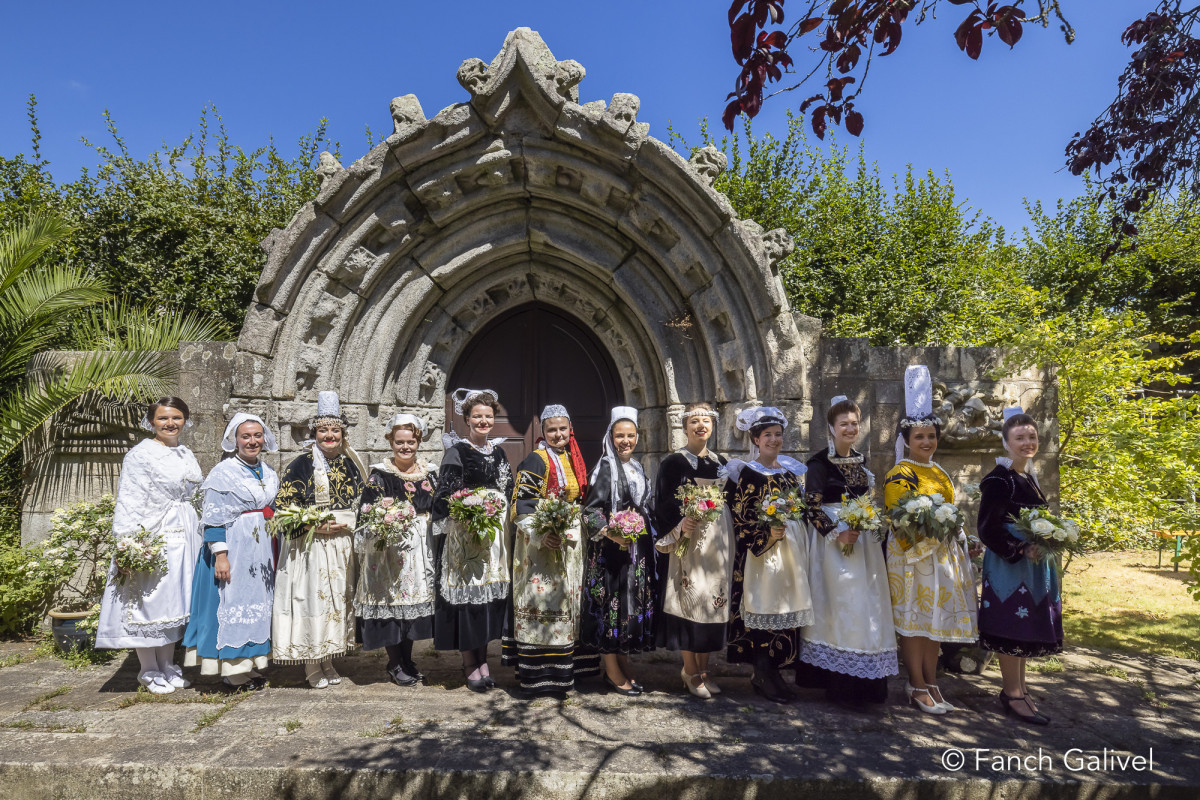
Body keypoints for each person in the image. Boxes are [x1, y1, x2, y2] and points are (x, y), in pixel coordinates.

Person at [884, 365, 979, 715]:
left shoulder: (939, 472)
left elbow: (951, 510)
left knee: (935, 619)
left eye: (931, 436)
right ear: (907, 441)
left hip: (942, 554)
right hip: (914, 555)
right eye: (920, 437)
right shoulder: (900, 472)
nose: (926, 442)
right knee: (916, 620)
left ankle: (933, 680)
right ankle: (916, 684)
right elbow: (899, 517)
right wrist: (930, 535)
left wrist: (961, 536)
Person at [95, 397, 204, 694]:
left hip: (187, 533)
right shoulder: (140, 455)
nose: (170, 424)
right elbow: (129, 500)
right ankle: (148, 669)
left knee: (177, 601)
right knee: (150, 600)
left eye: (177, 418)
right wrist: (128, 543)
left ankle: (169, 664)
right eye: (163, 418)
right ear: (151, 421)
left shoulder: (185, 452)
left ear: (186, 420)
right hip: (155, 534)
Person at [799, 396, 898, 708]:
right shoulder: (818, 464)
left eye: (855, 423)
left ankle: (867, 685)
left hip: (863, 544)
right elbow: (809, 508)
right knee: (842, 607)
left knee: (867, 607)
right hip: (833, 546)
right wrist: (836, 533)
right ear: (831, 428)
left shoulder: (860, 461)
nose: (851, 428)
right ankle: (838, 684)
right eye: (844, 424)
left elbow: (865, 501)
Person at [273, 391, 366, 688]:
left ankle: (328, 656)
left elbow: (362, 501)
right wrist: (316, 526)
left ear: (342, 434)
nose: (329, 435)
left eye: (335, 430)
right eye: (323, 430)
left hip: (341, 544)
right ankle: (311, 664)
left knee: (337, 601)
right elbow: (284, 509)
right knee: (312, 600)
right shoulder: (300, 465)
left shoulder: (351, 464)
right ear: (314, 433)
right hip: (311, 545)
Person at [182, 413, 280, 691]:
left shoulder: (268, 471)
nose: (252, 441)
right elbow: (213, 518)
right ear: (234, 440)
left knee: (256, 604)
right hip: (232, 548)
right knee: (231, 605)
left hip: (260, 550)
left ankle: (249, 666)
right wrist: (221, 556)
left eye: (257, 435)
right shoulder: (223, 473)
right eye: (245, 436)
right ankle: (231, 671)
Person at [977, 407, 1061, 725]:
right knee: (1011, 629)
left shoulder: (1027, 476)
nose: (1027, 442)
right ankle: (1011, 693)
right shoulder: (1000, 479)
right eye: (1020, 438)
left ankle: (1021, 689)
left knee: (1024, 630)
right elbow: (988, 528)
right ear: (1006, 442)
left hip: (1032, 569)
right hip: (1009, 571)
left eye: (1031, 437)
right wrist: (1021, 548)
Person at [504, 404, 596, 696]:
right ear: (543, 432)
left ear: (570, 430)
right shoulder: (536, 459)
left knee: (568, 604)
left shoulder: (572, 458)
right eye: (551, 430)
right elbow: (521, 503)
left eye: (562, 429)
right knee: (545, 603)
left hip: (569, 545)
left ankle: (569, 671)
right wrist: (542, 534)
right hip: (542, 546)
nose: (558, 434)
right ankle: (540, 674)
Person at [725, 406, 813, 705]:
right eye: (767, 436)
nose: (774, 440)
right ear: (755, 439)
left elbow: (800, 508)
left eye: (778, 435)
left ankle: (774, 671)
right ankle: (762, 672)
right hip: (762, 554)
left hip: (790, 551)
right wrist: (766, 535)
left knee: (783, 608)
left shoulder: (789, 472)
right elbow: (741, 516)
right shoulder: (748, 474)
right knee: (764, 608)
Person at [431, 388, 513, 693]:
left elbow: (509, 490)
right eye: (477, 416)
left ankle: (484, 661)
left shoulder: (500, 453)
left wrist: (497, 510)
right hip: (465, 540)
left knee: (487, 601)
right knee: (468, 601)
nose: (483, 421)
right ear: (467, 419)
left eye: (488, 416)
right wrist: (470, 508)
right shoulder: (457, 452)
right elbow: (444, 496)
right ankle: (470, 664)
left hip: (492, 541)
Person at [652, 402, 732, 699]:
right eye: (695, 421)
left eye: (706, 420)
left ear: (713, 426)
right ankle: (689, 670)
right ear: (685, 427)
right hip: (689, 539)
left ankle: (704, 669)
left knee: (713, 601)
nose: (701, 425)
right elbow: (663, 503)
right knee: (691, 598)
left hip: (718, 540)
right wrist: (680, 523)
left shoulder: (721, 462)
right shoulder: (674, 462)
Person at [354, 413, 438, 687]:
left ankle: (408, 659)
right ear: (391, 441)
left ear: (419, 442)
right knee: (393, 605)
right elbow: (366, 512)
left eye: (411, 442)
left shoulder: (430, 473)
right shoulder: (380, 475)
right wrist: (387, 520)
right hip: (390, 550)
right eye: (400, 442)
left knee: (412, 607)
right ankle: (394, 662)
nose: (405, 447)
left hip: (420, 549)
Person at [580, 406, 656, 696]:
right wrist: (612, 532)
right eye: (620, 435)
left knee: (626, 609)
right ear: (610, 437)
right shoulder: (605, 469)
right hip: (610, 552)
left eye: (631, 435)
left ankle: (622, 663)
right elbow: (590, 511)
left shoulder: (636, 466)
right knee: (611, 609)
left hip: (635, 551)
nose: (626, 441)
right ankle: (611, 671)